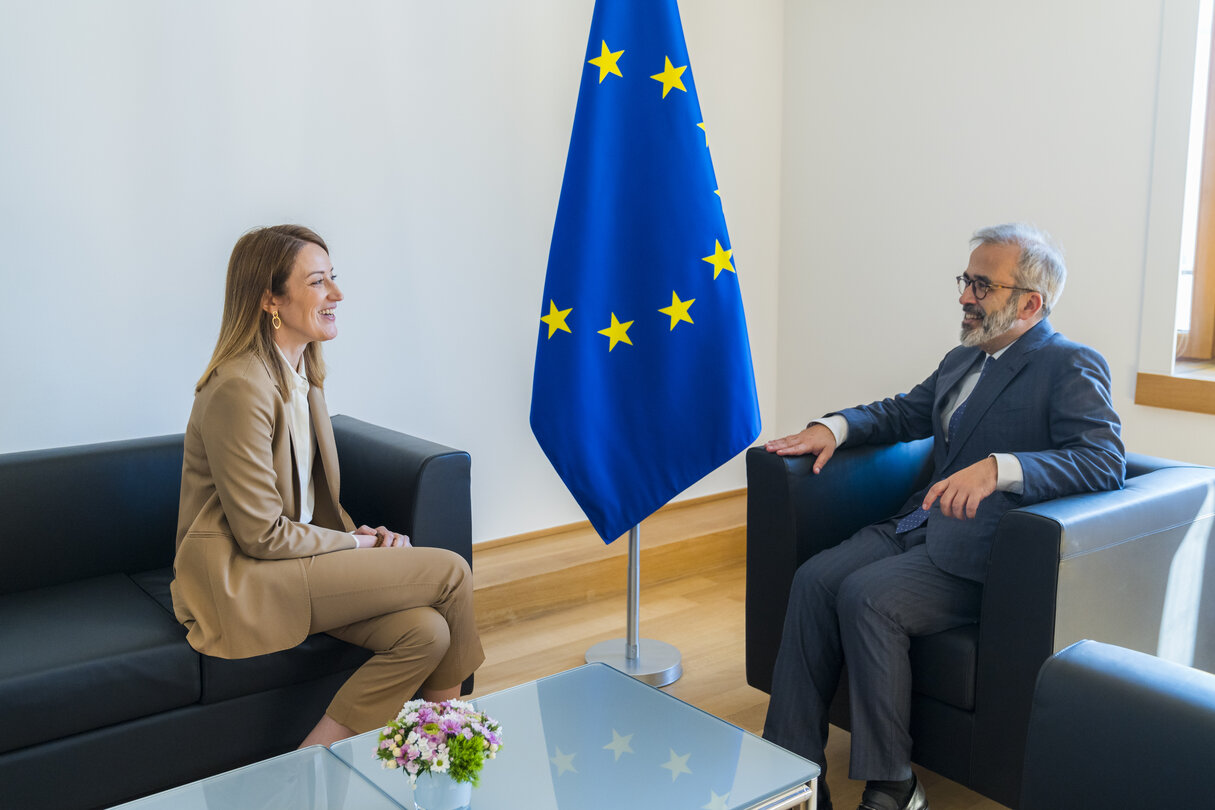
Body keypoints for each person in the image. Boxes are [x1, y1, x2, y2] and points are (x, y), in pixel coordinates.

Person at [760, 224, 1124, 810]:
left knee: (866, 596)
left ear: (1031, 302)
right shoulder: (962, 358)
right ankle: (791, 773)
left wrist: (1000, 468)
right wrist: (834, 427)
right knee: (813, 580)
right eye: (966, 279)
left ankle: (894, 783)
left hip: (987, 552)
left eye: (982, 284)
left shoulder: (1069, 364)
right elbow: (906, 413)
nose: (964, 296)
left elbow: (1103, 461)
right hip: (918, 525)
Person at [170, 225, 484, 747]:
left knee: (426, 633)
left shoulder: (303, 376)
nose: (337, 295)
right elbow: (262, 536)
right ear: (270, 298)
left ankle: (307, 766)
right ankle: (450, 754)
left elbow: (307, 505)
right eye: (318, 282)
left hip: (294, 564)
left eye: (333, 279)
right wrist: (357, 547)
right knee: (450, 572)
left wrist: (360, 536)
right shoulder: (239, 388)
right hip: (243, 578)